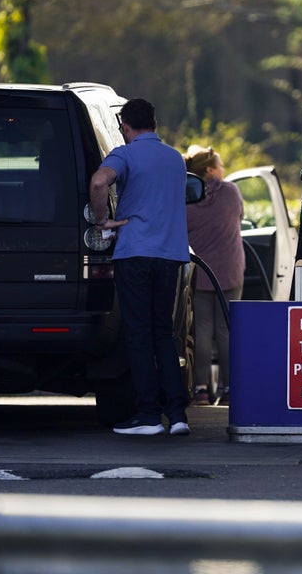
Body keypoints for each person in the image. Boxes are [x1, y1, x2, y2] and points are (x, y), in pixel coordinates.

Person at [89, 98, 192, 437]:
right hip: (170, 256)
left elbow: (99, 182)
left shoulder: (125, 154)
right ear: (155, 124)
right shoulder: (174, 158)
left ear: (125, 127)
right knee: (164, 333)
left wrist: (102, 221)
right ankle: (177, 414)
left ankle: (148, 414)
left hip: (135, 254)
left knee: (138, 334)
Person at [183, 145, 245, 407]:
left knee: (201, 330)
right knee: (226, 330)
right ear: (209, 170)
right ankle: (229, 389)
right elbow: (240, 217)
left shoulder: (185, 196)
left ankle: (200, 390)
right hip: (230, 271)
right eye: (220, 166)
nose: (223, 170)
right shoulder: (231, 192)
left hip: (199, 273)